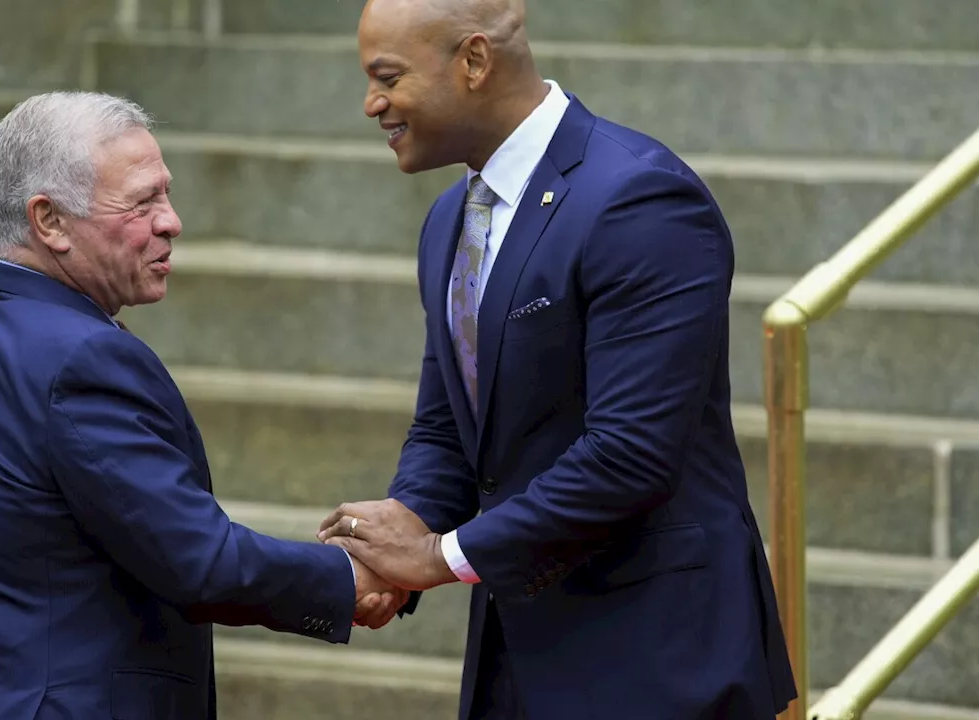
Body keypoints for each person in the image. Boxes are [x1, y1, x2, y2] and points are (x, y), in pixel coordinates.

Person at [318, 0, 798, 718]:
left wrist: (437, 557)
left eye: (387, 77)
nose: (371, 104)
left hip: (659, 664)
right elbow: (450, 427)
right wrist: (401, 529)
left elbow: (629, 456)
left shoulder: (639, 199)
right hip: (517, 662)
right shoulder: (451, 217)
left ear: (474, 61)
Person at [0, 91, 403, 720]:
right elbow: (199, 561)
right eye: (142, 202)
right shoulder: (82, 359)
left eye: (165, 195)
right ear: (50, 222)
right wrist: (354, 579)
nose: (171, 221)